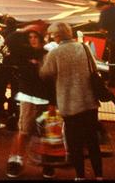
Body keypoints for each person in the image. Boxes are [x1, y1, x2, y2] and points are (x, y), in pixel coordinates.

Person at [40, 21, 102, 180]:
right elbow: (94, 68)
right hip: (89, 102)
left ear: (58, 35)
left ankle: (80, 176)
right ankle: (99, 176)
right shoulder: (84, 48)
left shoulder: (54, 54)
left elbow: (45, 73)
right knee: (92, 141)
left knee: (75, 143)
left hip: (69, 104)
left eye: (53, 35)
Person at [5, 29, 55, 179]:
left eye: (35, 36)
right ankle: (15, 161)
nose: (33, 40)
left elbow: (52, 80)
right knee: (24, 130)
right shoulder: (23, 53)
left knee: (46, 132)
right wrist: (26, 28)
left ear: (41, 38)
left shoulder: (47, 54)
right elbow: (10, 40)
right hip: (28, 97)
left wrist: (53, 102)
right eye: (30, 37)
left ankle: (48, 164)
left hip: (44, 98)